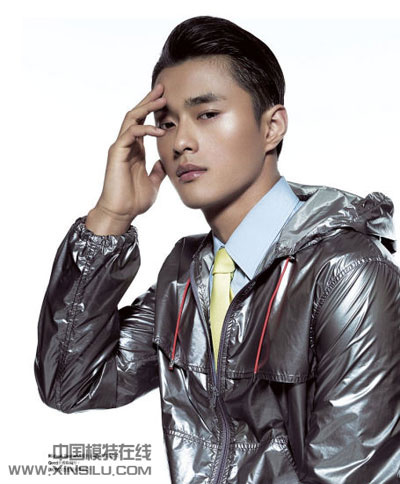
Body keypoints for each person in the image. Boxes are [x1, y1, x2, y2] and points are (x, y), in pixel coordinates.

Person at [34, 15, 400, 484]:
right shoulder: (187, 277)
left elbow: (354, 473)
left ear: (272, 127)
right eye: (165, 123)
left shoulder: (346, 273)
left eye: (207, 114)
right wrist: (110, 217)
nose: (181, 142)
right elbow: (69, 384)